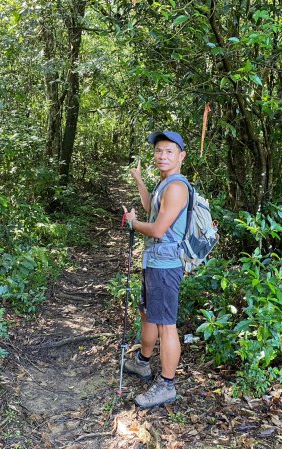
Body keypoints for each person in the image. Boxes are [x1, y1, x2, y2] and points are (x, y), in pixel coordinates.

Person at [122, 130, 189, 408]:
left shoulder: (176, 187)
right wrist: (139, 181)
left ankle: (166, 385)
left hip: (165, 266)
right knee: (148, 314)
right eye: (159, 151)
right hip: (154, 262)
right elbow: (152, 209)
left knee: (165, 325)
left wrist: (132, 224)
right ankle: (143, 362)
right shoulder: (164, 184)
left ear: (181, 156)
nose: (162, 156)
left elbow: (158, 228)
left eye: (169, 151)